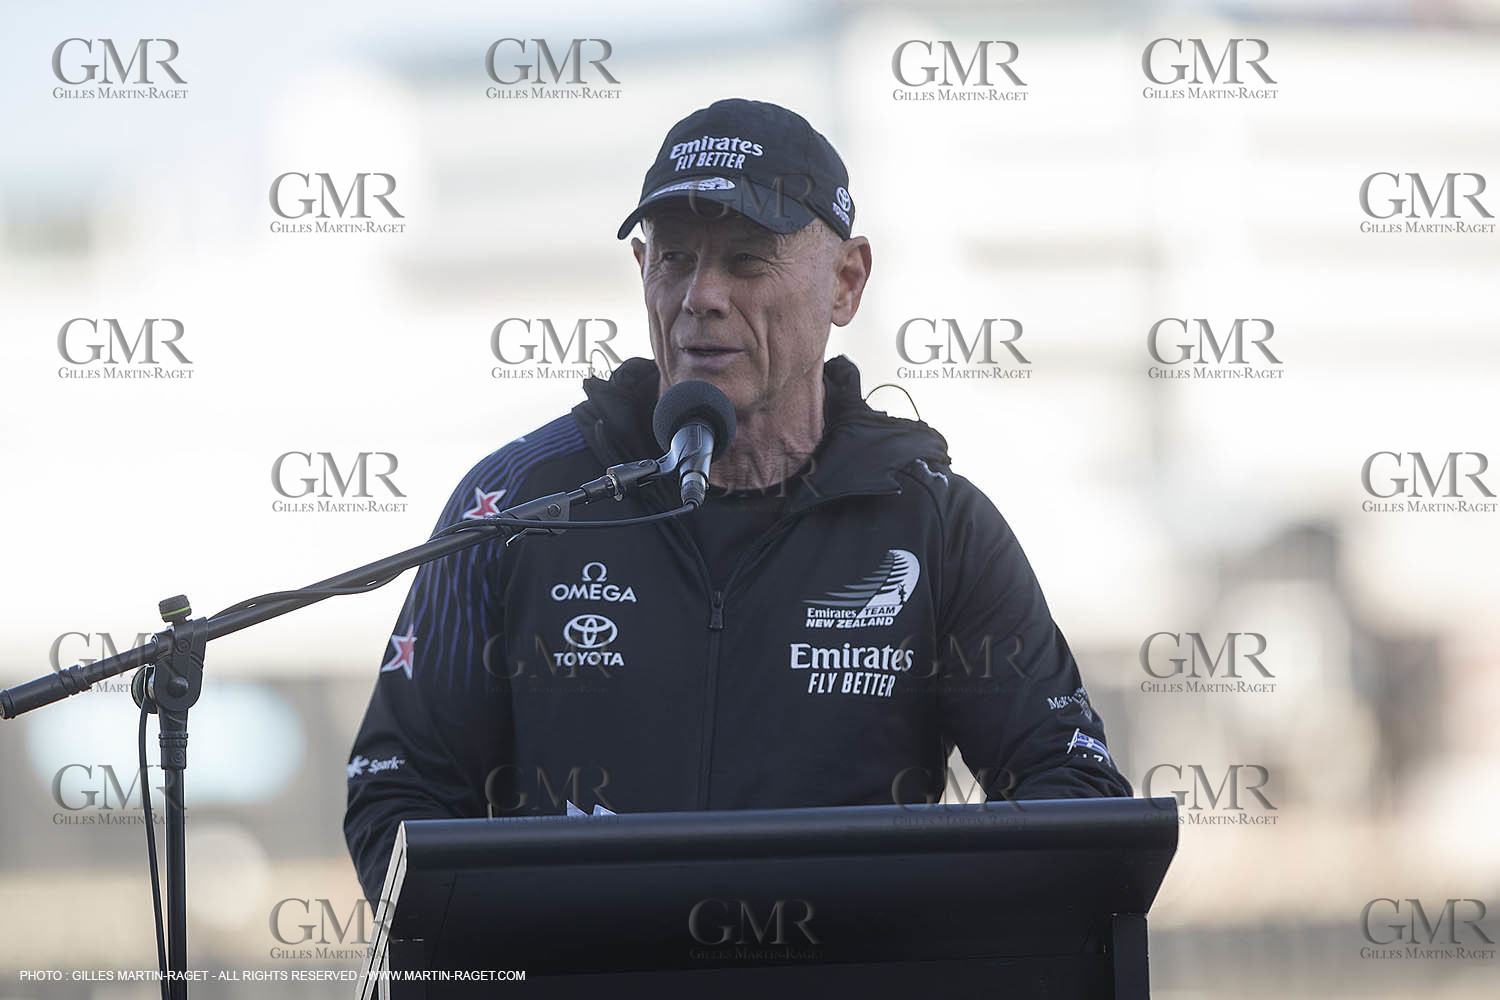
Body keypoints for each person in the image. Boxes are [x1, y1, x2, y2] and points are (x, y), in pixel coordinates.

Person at [343, 98, 1130, 904]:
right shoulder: (513, 504)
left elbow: (1071, 787)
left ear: (847, 282)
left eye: (747, 260)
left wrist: (912, 937)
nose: (701, 296)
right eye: (676, 259)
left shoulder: (935, 526)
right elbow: (398, 792)